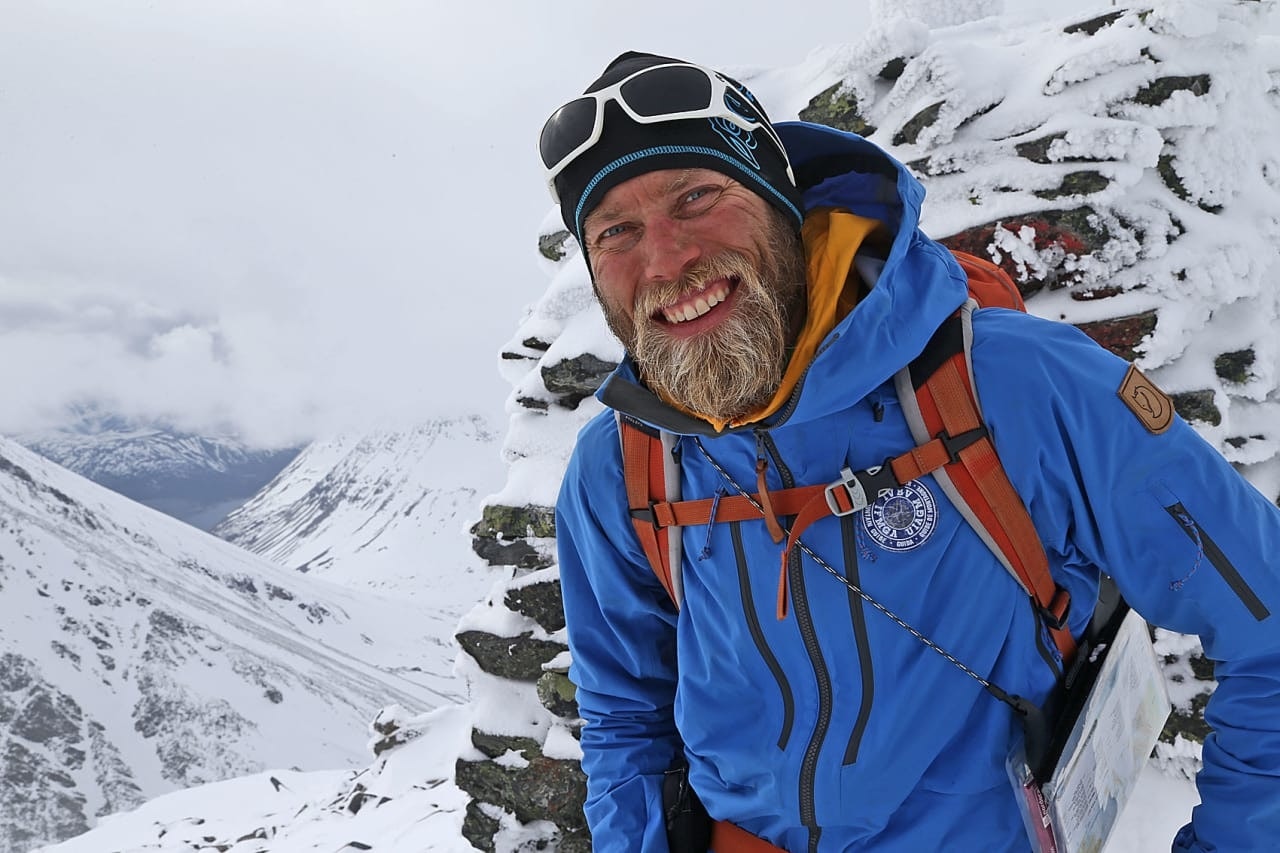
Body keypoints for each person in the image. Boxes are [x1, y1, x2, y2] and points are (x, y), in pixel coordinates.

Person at [543, 51, 1280, 852]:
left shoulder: (1020, 384)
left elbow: (1264, 618)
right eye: (615, 231)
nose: (664, 259)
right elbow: (624, 716)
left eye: (697, 197)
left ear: (780, 202)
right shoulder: (619, 468)